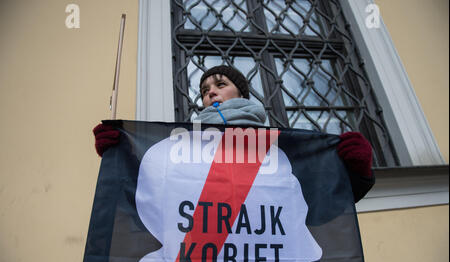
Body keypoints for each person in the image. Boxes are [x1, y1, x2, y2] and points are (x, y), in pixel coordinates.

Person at [93, 65, 375, 201]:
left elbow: (320, 200)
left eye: (220, 84)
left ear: (241, 92)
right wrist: (123, 155)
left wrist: (356, 172)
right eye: (204, 91)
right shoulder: (185, 144)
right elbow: (153, 194)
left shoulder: (275, 145)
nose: (210, 92)